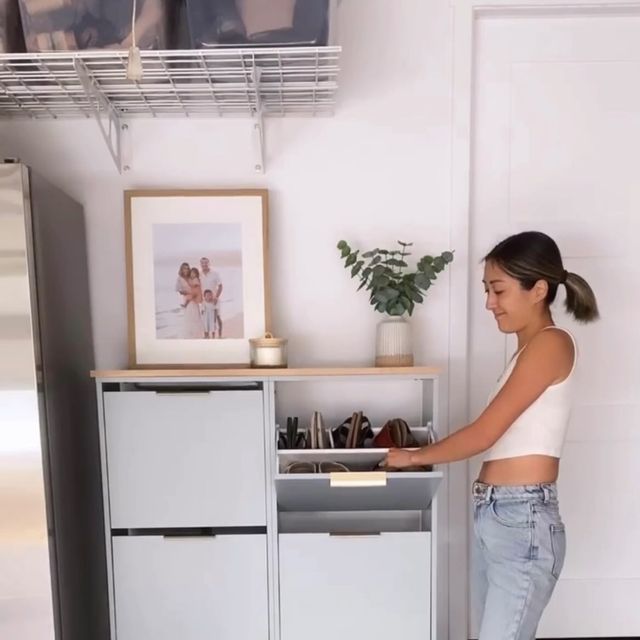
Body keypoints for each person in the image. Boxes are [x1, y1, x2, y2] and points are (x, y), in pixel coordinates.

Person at [383, 230, 599, 640]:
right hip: (500, 515)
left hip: (522, 517)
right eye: (487, 290)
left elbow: (485, 434)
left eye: (498, 290)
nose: (489, 303)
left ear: (538, 290)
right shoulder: (527, 350)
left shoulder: (551, 345)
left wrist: (413, 456)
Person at [199, 257, 223, 338]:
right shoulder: (199, 274)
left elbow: (220, 286)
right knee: (205, 319)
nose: (204, 264)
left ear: (209, 263)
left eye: (206, 263)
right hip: (204, 301)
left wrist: (216, 297)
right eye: (202, 263)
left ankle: (220, 335)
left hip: (214, 300)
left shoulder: (215, 273)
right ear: (200, 264)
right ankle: (207, 336)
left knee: (217, 317)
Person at [179, 267, 205, 339]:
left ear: (197, 274)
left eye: (194, 273)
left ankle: (194, 335)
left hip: (193, 302)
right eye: (191, 273)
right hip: (192, 301)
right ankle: (191, 334)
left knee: (193, 318)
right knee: (190, 318)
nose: (192, 274)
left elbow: (193, 290)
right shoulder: (192, 280)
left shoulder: (196, 280)